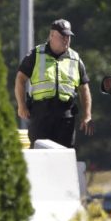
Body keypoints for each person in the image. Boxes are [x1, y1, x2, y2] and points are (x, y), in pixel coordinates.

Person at [14, 19, 93, 148]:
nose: (66, 40)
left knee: (64, 154)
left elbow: (84, 89)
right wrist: (21, 105)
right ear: (51, 35)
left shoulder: (75, 58)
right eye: (62, 36)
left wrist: (87, 115)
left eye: (68, 37)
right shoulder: (36, 54)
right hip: (41, 115)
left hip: (65, 117)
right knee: (39, 153)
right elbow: (20, 79)